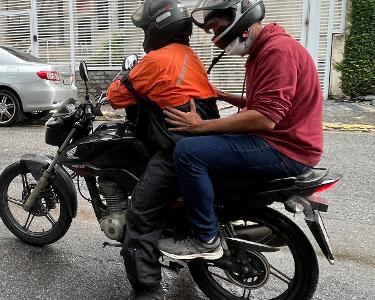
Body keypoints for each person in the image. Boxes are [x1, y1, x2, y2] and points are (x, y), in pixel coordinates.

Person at [158, 0, 323, 261]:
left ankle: (206, 239)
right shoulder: (267, 48)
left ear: (237, 21)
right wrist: (223, 95)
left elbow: (265, 117)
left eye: (214, 28)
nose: (215, 38)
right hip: (284, 141)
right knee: (207, 144)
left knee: (188, 152)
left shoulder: (276, 52)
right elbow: (266, 103)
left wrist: (200, 126)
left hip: (286, 149)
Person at [105, 1, 219, 299]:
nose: (145, 32)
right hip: (204, 142)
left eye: (146, 27)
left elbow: (116, 96)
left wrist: (122, 77)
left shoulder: (155, 61)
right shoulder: (188, 56)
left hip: (177, 148)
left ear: (157, 28)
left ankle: (147, 290)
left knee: (139, 215)